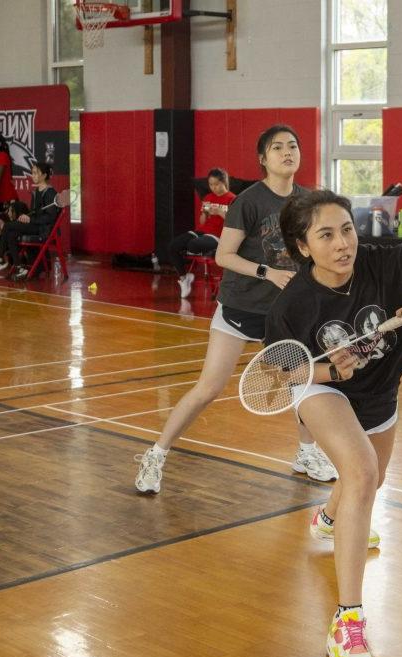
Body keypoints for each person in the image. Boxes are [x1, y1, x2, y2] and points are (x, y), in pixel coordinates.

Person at [266, 189, 402, 657]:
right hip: (322, 389)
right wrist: (331, 372)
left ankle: (329, 519)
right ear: (303, 247)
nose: (343, 243)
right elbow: (282, 371)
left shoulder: (385, 262)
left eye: (347, 229)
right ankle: (348, 620)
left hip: (379, 391)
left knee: (371, 478)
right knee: (363, 473)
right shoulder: (295, 302)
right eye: (326, 235)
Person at [134, 125, 338, 493]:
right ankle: (156, 454)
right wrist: (267, 272)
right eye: (278, 147)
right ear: (263, 159)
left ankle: (307, 452)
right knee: (208, 388)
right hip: (241, 307)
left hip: (285, 314)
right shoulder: (249, 201)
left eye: (293, 145)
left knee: (302, 384)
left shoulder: (309, 203)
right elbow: (223, 255)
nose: (287, 152)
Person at [0, 162, 59, 280]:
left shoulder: (50, 193)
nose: (33, 175)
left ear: (44, 175)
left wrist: (31, 219)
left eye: (35, 173)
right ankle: (19, 268)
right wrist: (26, 216)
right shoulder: (36, 191)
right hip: (34, 224)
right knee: (11, 234)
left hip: (43, 229)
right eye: (32, 173)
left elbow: (50, 217)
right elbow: (34, 212)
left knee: (7, 226)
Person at [171, 167, 237, 299]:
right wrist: (205, 213)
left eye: (217, 184)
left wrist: (219, 212)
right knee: (173, 245)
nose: (214, 188)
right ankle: (184, 279)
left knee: (193, 245)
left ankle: (195, 248)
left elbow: (235, 222)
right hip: (202, 231)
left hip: (218, 235)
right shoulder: (208, 197)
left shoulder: (233, 199)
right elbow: (202, 222)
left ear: (224, 182)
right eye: (211, 184)